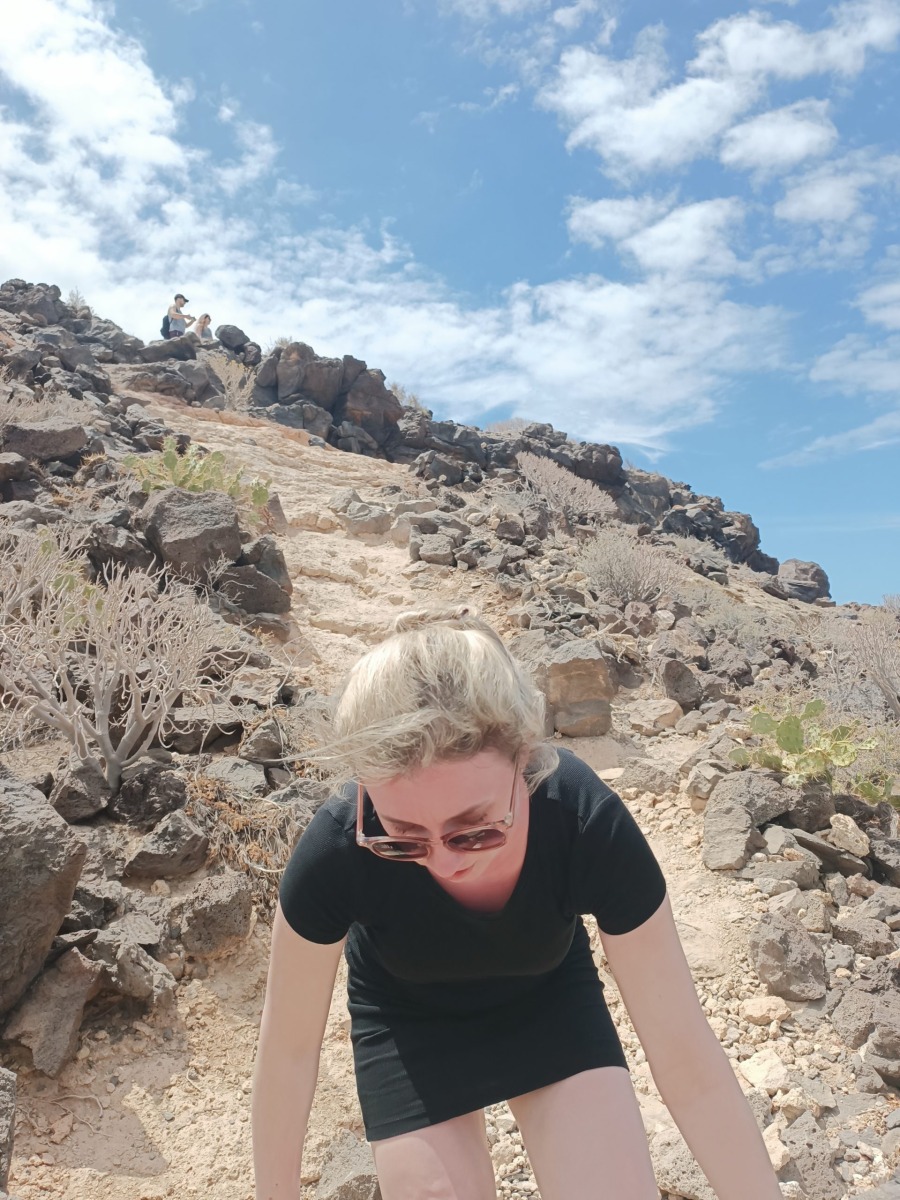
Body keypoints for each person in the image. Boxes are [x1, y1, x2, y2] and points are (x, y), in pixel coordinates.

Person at [253, 608, 783, 1200]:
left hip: (547, 999)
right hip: (408, 1020)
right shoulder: (338, 845)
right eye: (402, 838)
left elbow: (684, 1054)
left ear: (525, 757)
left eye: (475, 830)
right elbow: (288, 1054)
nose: (444, 863)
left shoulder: (583, 821)